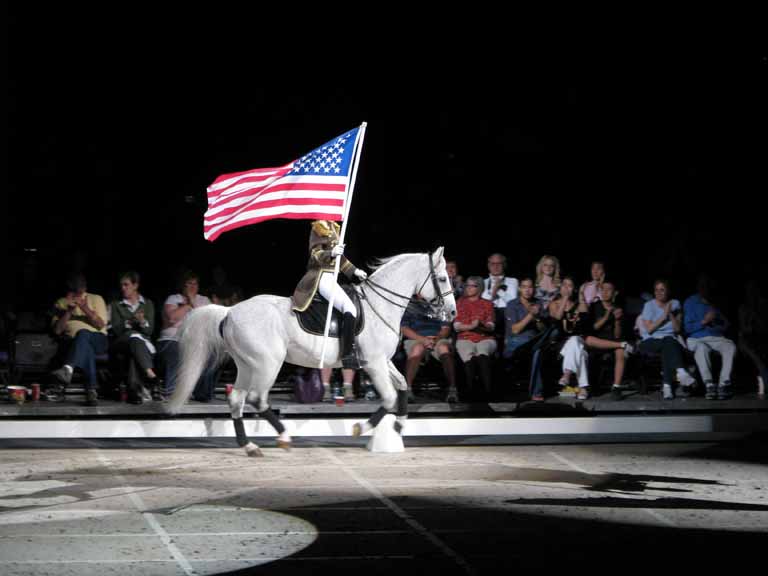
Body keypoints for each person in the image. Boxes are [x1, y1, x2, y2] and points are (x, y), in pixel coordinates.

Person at [292, 220, 368, 369]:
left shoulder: (334, 228)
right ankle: (348, 354)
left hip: (332, 277)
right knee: (350, 308)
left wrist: (355, 271)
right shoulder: (318, 227)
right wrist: (331, 253)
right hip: (321, 276)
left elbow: (341, 260)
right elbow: (315, 254)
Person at [50, 273, 108, 406]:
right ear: (70, 287)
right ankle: (91, 392)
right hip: (72, 342)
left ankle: (68, 368)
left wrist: (84, 307)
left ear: (85, 286)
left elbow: (100, 325)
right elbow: (57, 330)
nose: (79, 289)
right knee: (84, 344)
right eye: (75, 286)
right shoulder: (61, 302)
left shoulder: (96, 298)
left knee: (83, 334)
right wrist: (69, 311)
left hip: (98, 339)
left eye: (82, 285)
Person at [157, 270, 216, 400]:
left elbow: (204, 322)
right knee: (175, 349)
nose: (193, 287)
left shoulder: (204, 300)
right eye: (189, 283)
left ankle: (202, 394)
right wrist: (187, 305)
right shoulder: (174, 298)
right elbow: (172, 319)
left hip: (196, 341)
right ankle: (171, 392)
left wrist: (191, 303)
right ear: (182, 285)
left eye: (195, 284)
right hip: (173, 338)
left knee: (212, 354)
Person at [639, 279, 696, 400]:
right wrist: (664, 315)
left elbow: (677, 329)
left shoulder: (675, 304)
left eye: (662, 289)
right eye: (656, 290)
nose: (659, 292)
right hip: (650, 341)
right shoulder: (649, 306)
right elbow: (649, 329)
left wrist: (671, 314)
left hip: (670, 341)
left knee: (668, 344)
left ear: (668, 291)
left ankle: (667, 387)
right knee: (669, 341)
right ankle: (680, 372)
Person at [684, 274, 736, 400]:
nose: (706, 288)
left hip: (716, 337)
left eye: (708, 285)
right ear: (699, 287)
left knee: (730, 346)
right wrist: (704, 321)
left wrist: (717, 322)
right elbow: (687, 329)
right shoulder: (691, 302)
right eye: (703, 285)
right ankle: (709, 384)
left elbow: (726, 326)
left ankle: (723, 384)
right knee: (701, 348)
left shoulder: (717, 302)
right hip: (696, 338)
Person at [110, 271, 159, 403]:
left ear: (135, 285)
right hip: (121, 343)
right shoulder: (116, 305)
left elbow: (150, 331)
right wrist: (131, 322)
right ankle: (150, 373)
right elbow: (116, 329)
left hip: (140, 345)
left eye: (126, 285)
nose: (123, 288)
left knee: (134, 354)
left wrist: (142, 321)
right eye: (121, 285)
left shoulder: (148, 304)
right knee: (134, 338)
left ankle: (135, 393)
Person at [401, 295, 458, 402]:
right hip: (416, 338)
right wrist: (423, 339)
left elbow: (446, 328)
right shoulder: (409, 307)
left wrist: (436, 339)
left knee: (444, 349)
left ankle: (452, 389)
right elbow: (404, 329)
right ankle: (407, 390)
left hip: (437, 338)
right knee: (417, 349)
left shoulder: (440, 306)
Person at [454, 276, 496, 399]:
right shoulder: (460, 303)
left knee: (482, 355)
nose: (468, 288)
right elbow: (457, 326)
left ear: (479, 287)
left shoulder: (487, 304)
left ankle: (488, 392)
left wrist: (481, 326)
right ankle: (470, 393)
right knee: (470, 358)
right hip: (465, 338)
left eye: (472, 285)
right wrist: (472, 326)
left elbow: (491, 326)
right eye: (467, 285)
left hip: (485, 338)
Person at [738, 281, 768, 399]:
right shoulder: (743, 307)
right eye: (749, 291)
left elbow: (764, 326)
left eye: (754, 290)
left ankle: (764, 380)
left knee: (761, 354)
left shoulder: (763, 304)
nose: (751, 293)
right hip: (747, 339)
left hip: (762, 337)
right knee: (756, 356)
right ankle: (765, 380)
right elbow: (744, 328)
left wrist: (757, 315)